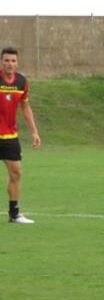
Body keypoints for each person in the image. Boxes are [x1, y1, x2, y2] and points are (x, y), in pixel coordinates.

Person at [1, 47, 41, 224]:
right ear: (2, 62)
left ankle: (14, 214)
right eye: (6, 60)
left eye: (13, 61)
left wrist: (34, 132)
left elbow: (25, 107)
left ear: (17, 63)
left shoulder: (22, 82)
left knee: (16, 173)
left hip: (10, 136)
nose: (10, 64)